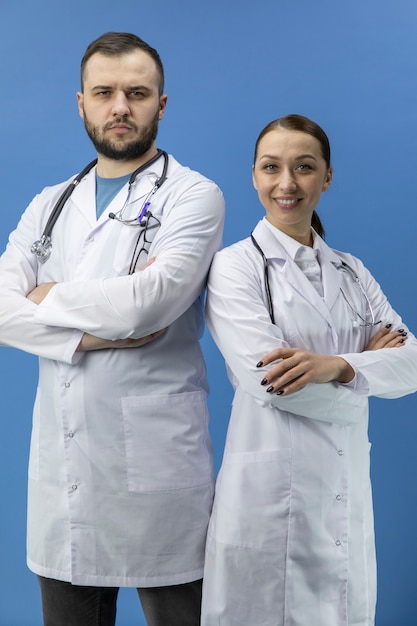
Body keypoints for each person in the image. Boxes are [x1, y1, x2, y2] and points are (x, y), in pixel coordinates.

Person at [0, 32, 225, 626]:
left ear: (161, 104)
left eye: (136, 92)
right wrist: (90, 336)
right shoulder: (49, 204)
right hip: (65, 476)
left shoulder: (194, 196)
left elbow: (150, 303)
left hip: (156, 473)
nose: (119, 106)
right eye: (104, 92)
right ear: (82, 103)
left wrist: (43, 297)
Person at [200, 114, 417, 625]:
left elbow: (413, 363)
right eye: (272, 167)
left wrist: (335, 366)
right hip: (268, 501)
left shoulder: (351, 270)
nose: (287, 183)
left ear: (327, 176)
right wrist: (366, 368)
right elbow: (270, 384)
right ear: (253, 175)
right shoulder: (235, 267)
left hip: (342, 495)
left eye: (304, 167)